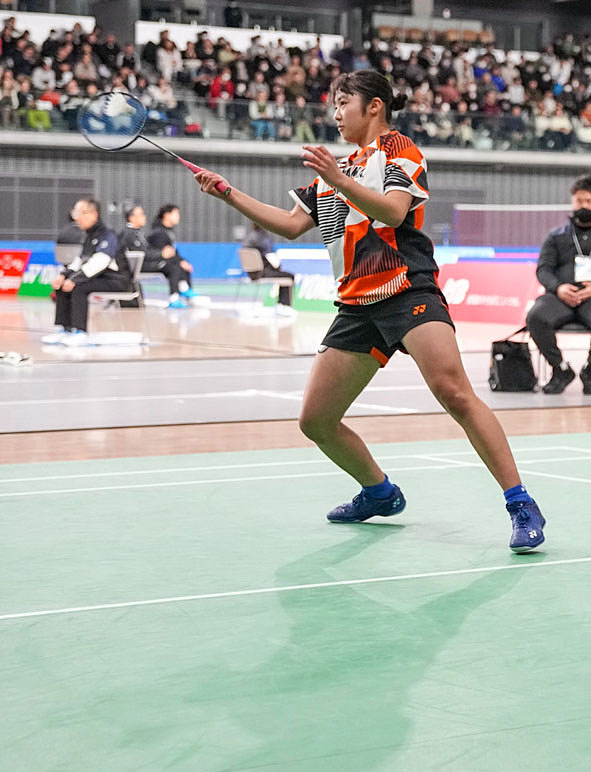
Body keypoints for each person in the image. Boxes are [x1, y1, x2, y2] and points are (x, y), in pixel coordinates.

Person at [191, 69, 546, 551]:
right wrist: (227, 192)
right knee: (316, 421)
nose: (336, 114)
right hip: (356, 303)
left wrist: (337, 178)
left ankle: (521, 503)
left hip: (406, 290)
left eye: (343, 103)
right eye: (334, 106)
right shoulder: (337, 169)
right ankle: (379, 492)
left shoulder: (400, 151)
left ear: (374, 106)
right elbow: (291, 224)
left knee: (455, 393)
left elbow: (394, 211)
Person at [527, 175, 591, 395]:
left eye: (589, 201)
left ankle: (590, 371)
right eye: (579, 201)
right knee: (535, 316)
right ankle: (560, 369)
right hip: (560, 298)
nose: (583, 206)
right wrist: (559, 288)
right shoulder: (556, 236)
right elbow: (543, 269)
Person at [40, 197, 128, 346]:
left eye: (80, 213)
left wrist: (75, 280)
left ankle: (80, 332)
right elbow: (80, 260)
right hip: (97, 278)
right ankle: (66, 329)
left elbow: (100, 261)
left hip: (116, 280)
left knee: (78, 287)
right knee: (63, 285)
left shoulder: (108, 235)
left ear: (93, 214)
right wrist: (64, 276)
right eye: (75, 213)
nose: (77, 218)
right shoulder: (89, 236)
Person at [144, 204, 196, 308]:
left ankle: (187, 293)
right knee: (174, 265)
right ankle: (177, 296)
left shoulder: (168, 231)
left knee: (183, 263)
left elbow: (173, 252)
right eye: (176, 214)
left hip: (165, 261)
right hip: (153, 263)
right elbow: (163, 254)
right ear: (166, 215)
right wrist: (178, 261)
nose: (178, 217)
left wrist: (182, 261)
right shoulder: (158, 233)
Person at [242, 222, 296, 316]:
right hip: (264, 272)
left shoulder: (249, 237)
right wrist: (278, 268)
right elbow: (271, 257)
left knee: (282, 275)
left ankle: (282, 306)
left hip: (252, 273)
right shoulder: (263, 237)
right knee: (289, 276)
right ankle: (283, 305)